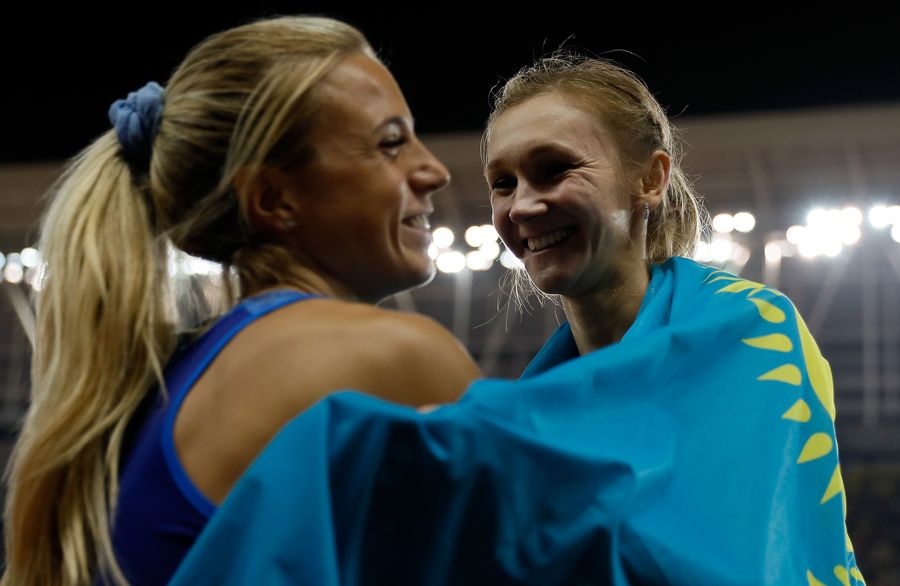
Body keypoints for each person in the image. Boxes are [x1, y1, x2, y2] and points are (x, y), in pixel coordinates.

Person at [169, 54, 865, 586]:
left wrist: (365, 449)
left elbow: (734, 554)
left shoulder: (749, 328)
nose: (522, 207)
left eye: (554, 170)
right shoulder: (542, 395)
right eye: (503, 183)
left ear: (650, 178)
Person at [1, 16, 482, 586]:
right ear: (273, 199)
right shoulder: (393, 359)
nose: (434, 170)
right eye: (391, 143)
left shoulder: (163, 384)